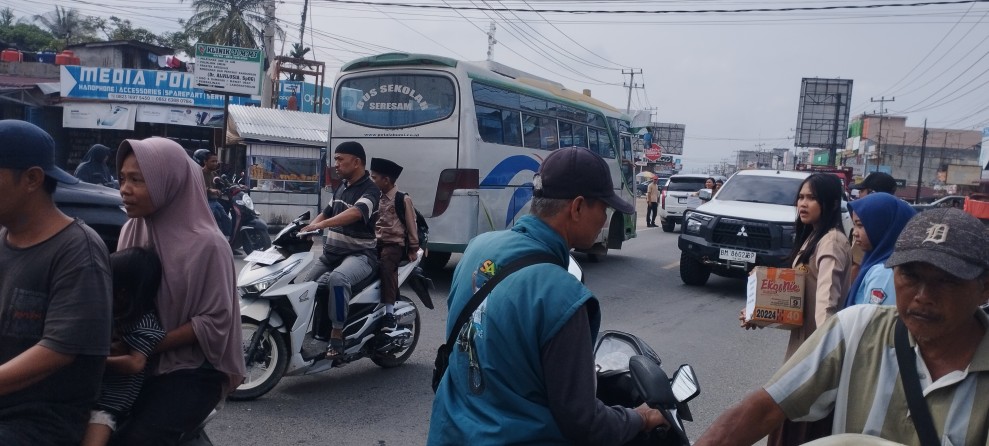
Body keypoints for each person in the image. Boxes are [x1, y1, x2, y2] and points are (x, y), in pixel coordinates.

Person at [428, 147, 667, 445]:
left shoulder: (477, 248)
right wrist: (641, 418)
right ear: (577, 208)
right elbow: (584, 423)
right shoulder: (562, 294)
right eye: (603, 208)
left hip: (449, 433)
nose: (606, 218)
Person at [698, 208, 989, 446]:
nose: (923, 296)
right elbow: (763, 410)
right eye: (910, 276)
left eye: (947, 281)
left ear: (984, 289)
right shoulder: (855, 329)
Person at [109, 137, 244, 446]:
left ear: (168, 182)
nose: (124, 189)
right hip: (135, 360)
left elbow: (215, 321)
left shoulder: (208, 245)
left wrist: (144, 346)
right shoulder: (132, 228)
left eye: (137, 180)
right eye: (122, 179)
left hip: (192, 368)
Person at [0, 120, 113, 445]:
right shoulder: (5, 238)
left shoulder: (78, 249)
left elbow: (58, 350)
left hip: (37, 421)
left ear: (32, 178)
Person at [740, 173, 852, 445]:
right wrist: (759, 315)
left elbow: (827, 302)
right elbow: (794, 302)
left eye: (812, 198)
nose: (803, 204)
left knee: (797, 429)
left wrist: (822, 360)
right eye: (801, 197)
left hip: (815, 357)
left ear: (831, 203)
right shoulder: (814, 237)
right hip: (803, 350)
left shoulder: (832, 242)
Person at [300, 141, 381, 359]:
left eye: (339, 159)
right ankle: (305, 334)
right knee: (305, 288)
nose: (335, 164)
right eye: (335, 159)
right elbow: (326, 213)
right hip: (331, 255)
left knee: (337, 279)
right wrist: (308, 228)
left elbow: (356, 212)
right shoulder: (342, 186)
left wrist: (320, 226)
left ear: (356, 162)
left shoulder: (371, 190)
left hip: (360, 256)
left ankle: (336, 335)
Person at [82, 247, 165, 446]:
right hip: (87, 396)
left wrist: (98, 360)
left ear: (122, 293)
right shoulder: (114, 316)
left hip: (108, 406)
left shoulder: (144, 323)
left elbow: (135, 363)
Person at [369, 157, 419, 332]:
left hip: (394, 245)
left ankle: (389, 313)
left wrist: (413, 248)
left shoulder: (402, 199)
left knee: (386, 266)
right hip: (375, 243)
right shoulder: (374, 197)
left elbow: (412, 224)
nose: (371, 181)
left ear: (386, 180)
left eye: (374, 177)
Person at [843, 192, 916, 307]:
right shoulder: (875, 260)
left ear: (882, 226)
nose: (855, 233)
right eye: (854, 225)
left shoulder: (884, 272)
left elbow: (873, 322)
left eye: (861, 225)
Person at [194, 149, 231, 238]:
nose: (215, 163)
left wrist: (238, 186)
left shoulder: (214, 174)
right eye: (212, 161)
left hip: (215, 201)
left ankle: (227, 241)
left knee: (226, 219)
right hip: (205, 202)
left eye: (216, 161)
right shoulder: (199, 173)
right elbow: (196, 186)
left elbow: (224, 184)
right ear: (205, 161)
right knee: (212, 221)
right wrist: (210, 190)